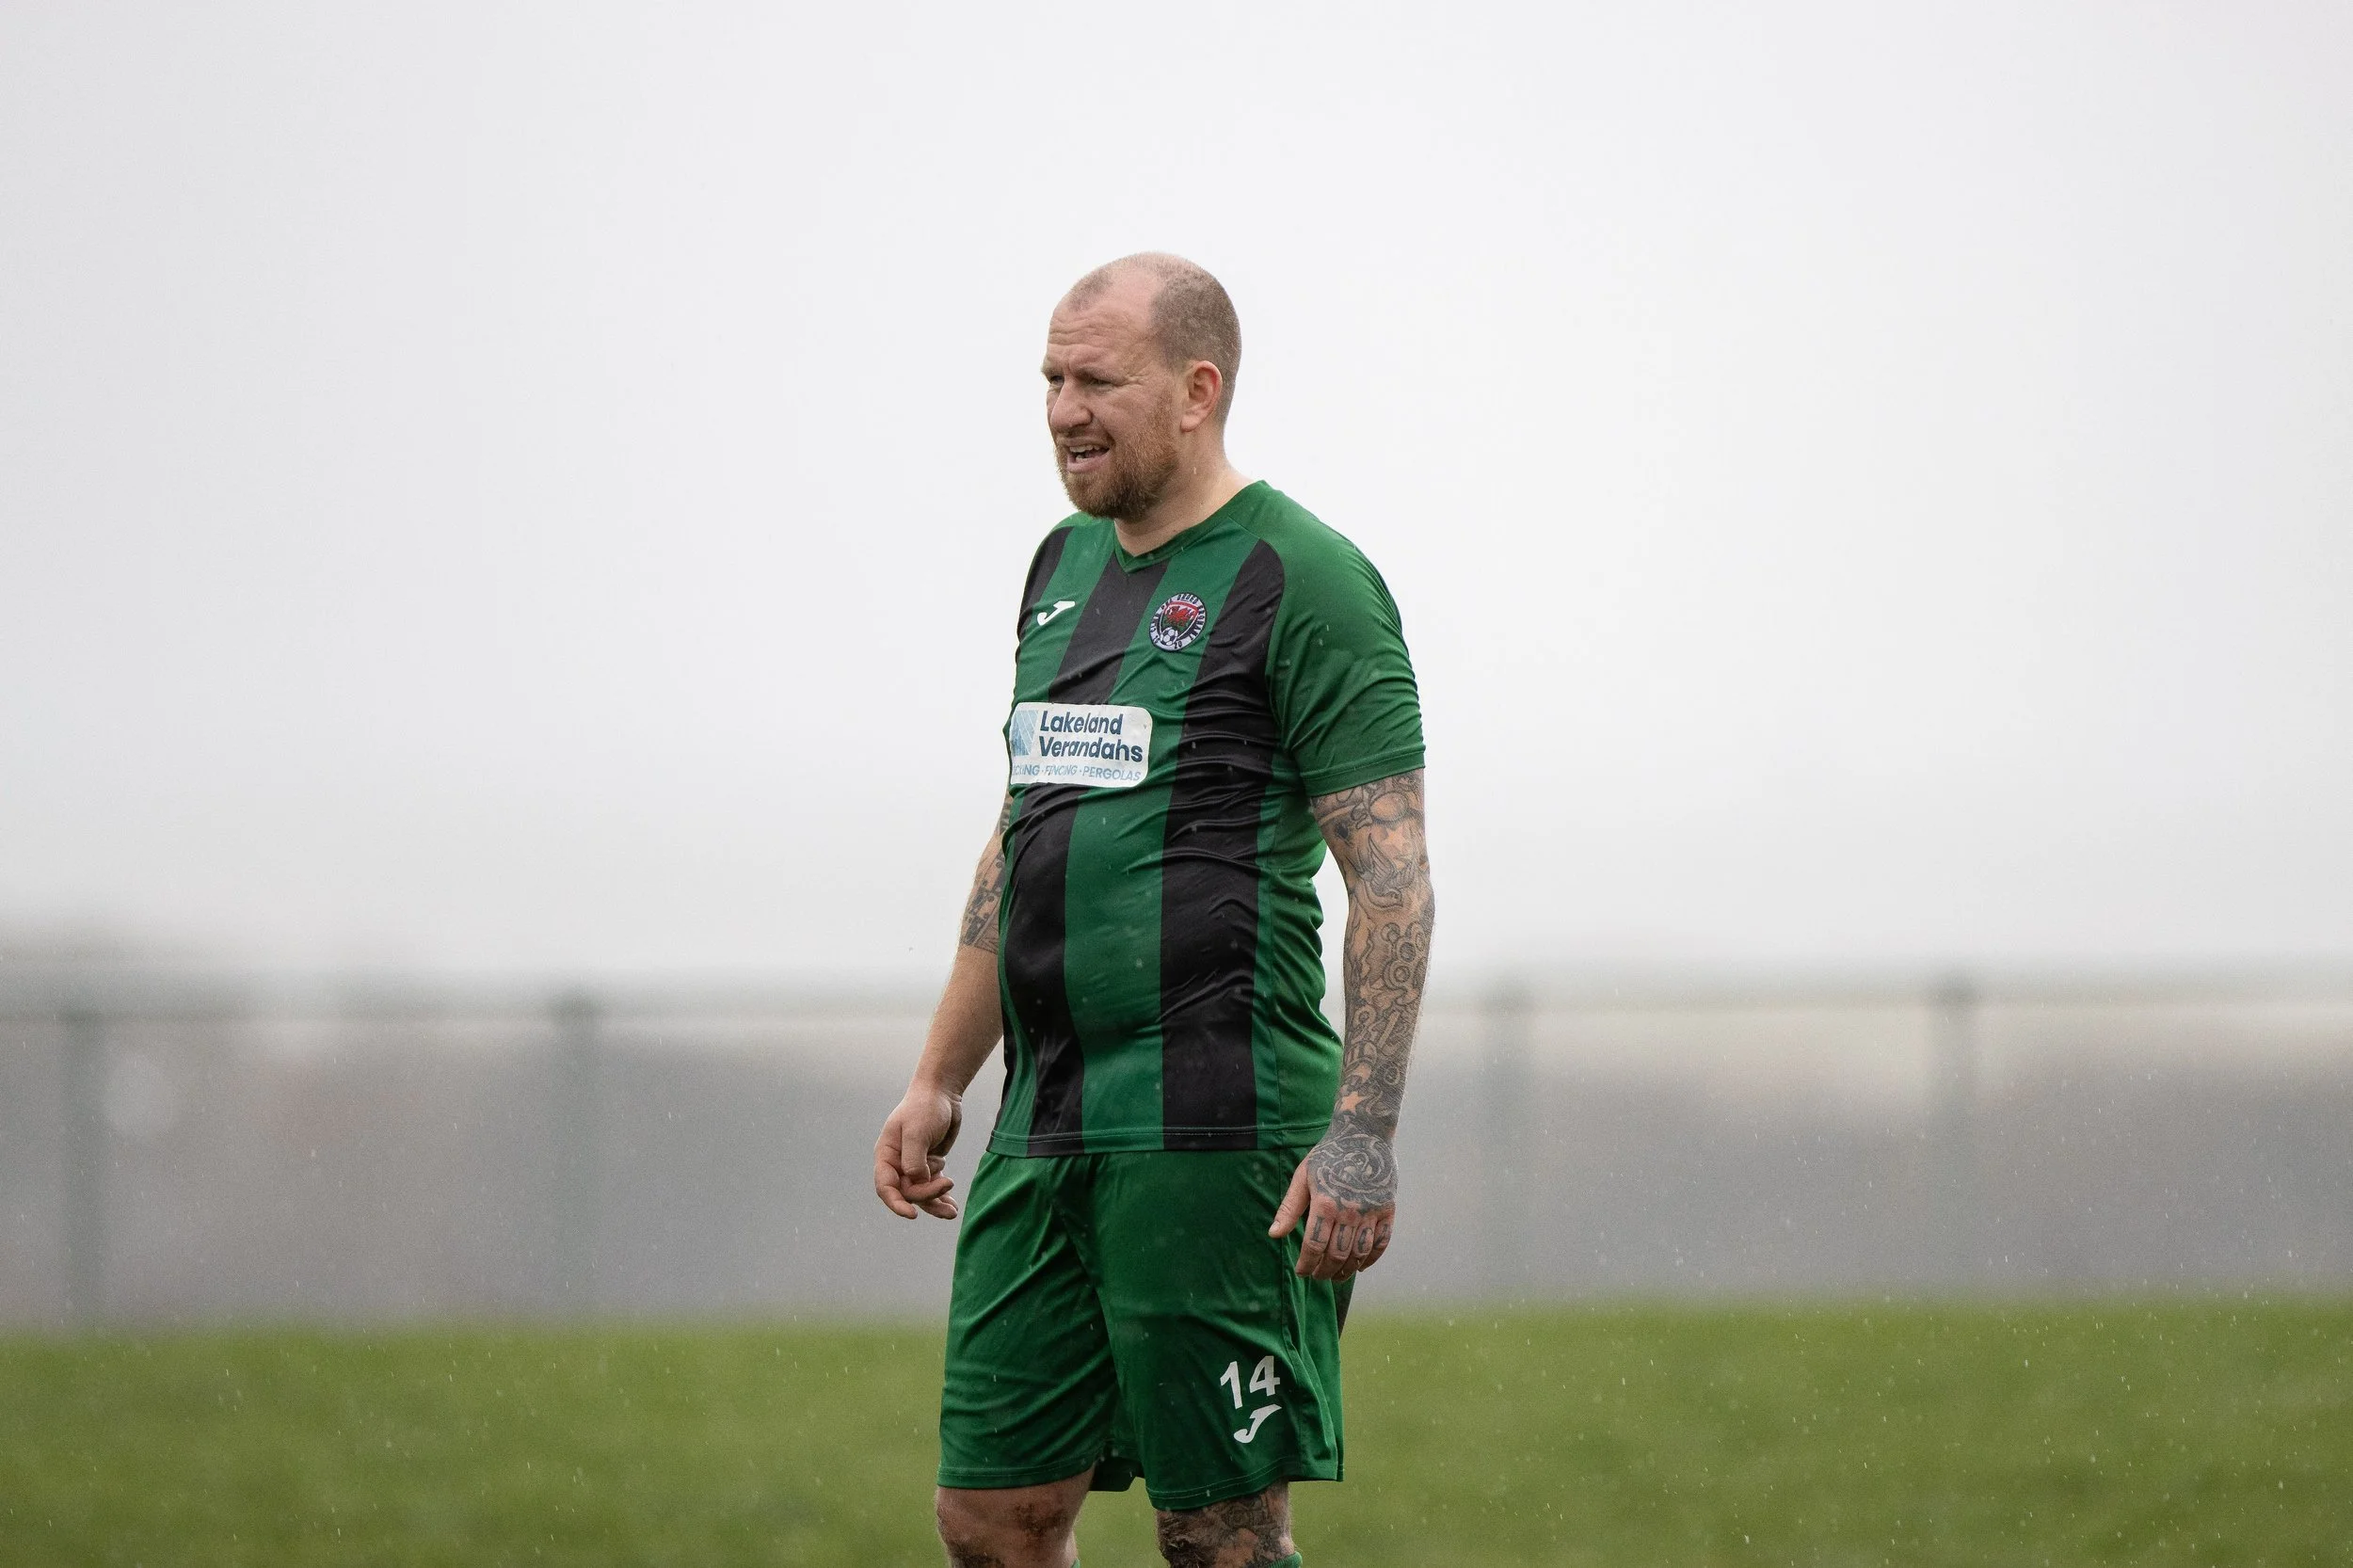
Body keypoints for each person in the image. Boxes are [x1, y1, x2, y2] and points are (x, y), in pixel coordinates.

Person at [873, 252, 1434, 1568]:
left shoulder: (1309, 577)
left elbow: (1395, 877)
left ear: (1197, 389)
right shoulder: (1059, 569)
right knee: (991, 1519)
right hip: (1046, 1122)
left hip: (1221, 1130)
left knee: (1219, 1538)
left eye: (1098, 379)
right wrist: (939, 1072)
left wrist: (1363, 1132)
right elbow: (1024, 833)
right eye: (1052, 379)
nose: (1066, 408)